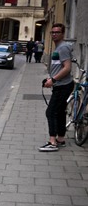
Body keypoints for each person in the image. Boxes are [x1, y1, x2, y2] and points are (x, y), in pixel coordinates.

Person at [39, 23, 74, 152]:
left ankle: (52, 142)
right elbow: (59, 66)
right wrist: (51, 79)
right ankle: (60, 139)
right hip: (60, 84)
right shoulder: (59, 47)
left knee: (51, 112)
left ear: (62, 34)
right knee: (59, 112)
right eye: (52, 32)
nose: (54, 34)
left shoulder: (63, 48)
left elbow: (67, 68)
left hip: (63, 86)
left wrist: (53, 80)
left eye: (57, 32)